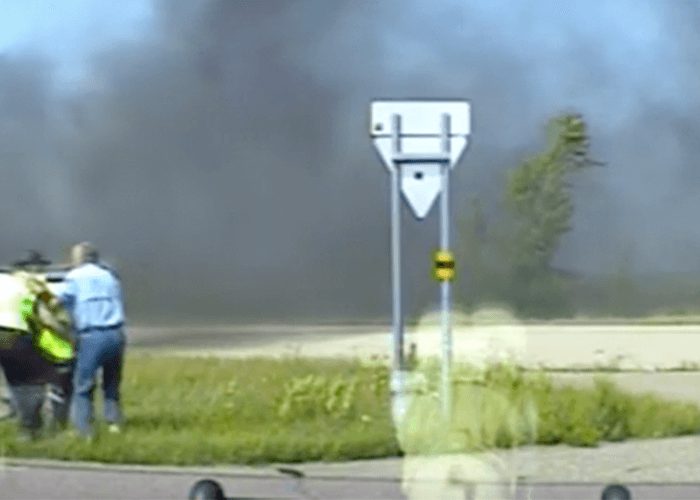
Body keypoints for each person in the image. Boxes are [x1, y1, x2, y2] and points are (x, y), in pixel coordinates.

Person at [51, 242, 126, 438]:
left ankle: (84, 430)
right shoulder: (109, 276)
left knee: (83, 385)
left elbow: (56, 299)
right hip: (116, 334)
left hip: (92, 335)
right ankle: (114, 424)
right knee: (111, 383)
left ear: (78, 258)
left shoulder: (75, 277)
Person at [0, 251, 75, 439]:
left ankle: (13, 412)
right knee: (31, 382)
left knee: (14, 381)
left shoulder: (4, 280)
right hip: (14, 332)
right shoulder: (32, 283)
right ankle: (29, 428)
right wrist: (66, 330)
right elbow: (47, 314)